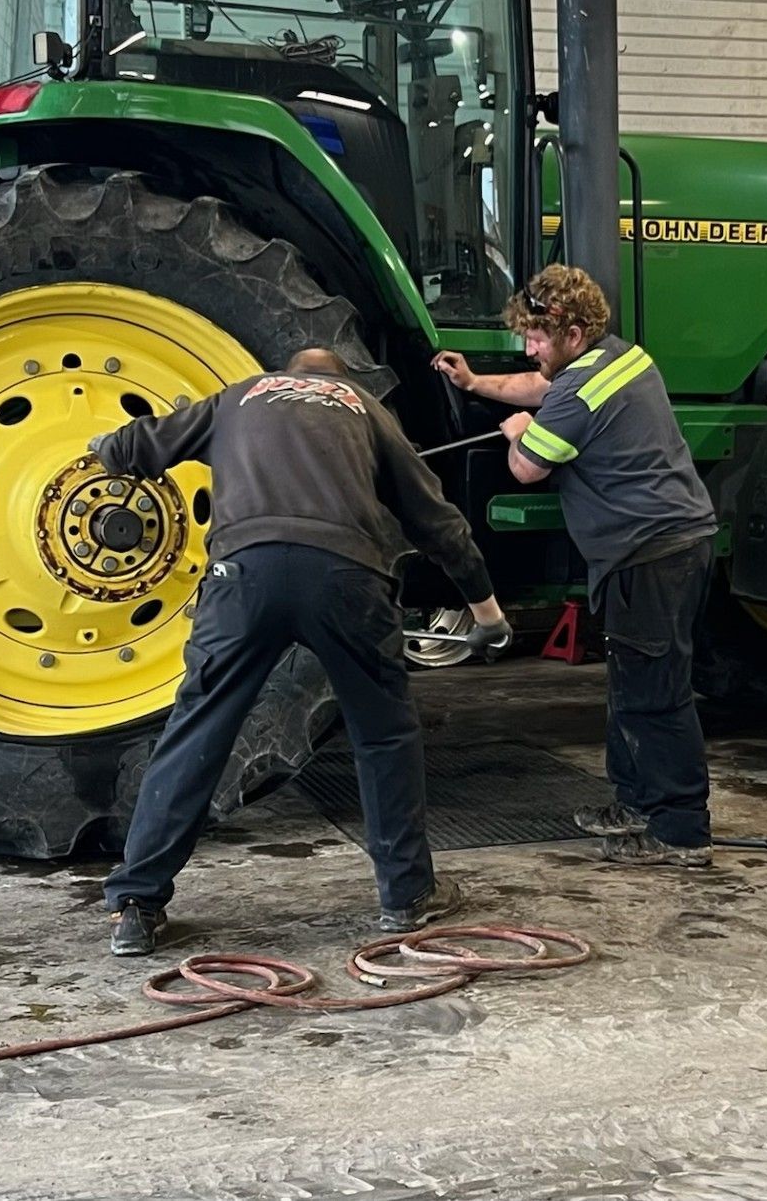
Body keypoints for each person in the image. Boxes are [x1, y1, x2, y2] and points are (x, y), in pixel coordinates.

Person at [95, 347, 510, 956]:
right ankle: (406, 896)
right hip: (345, 578)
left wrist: (106, 447)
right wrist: (487, 614)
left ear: (287, 373)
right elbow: (437, 522)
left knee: (199, 728)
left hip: (245, 575)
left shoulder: (237, 397)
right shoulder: (366, 409)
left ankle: (137, 904)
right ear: (338, 379)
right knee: (384, 733)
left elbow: (137, 445)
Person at [433, 267, 716, 866]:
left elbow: (527, 468)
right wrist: (477, 383)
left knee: (656, 695)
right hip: (664, 545)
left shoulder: (580, 393)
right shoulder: (619, 359)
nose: (529, 349)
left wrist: (518, 433)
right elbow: (543, 388)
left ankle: (680, 831)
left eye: (537, 338)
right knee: (632, 684)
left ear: (575, 332)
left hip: (649, 553)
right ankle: (634, 803)